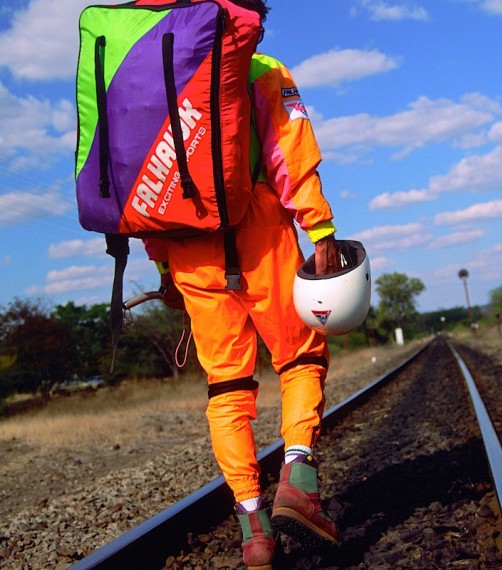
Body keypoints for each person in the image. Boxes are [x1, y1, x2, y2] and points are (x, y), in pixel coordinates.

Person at [144, 1, 341, 567]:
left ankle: (254, 528)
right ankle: (298, 479)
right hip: (258, 229)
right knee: (301, 356)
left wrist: (164, 265)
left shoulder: (153, 86)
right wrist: (320, 226)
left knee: (227, 386)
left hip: (186, 248)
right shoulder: (261, 67)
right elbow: (290, 154)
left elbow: (144, 193)